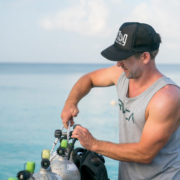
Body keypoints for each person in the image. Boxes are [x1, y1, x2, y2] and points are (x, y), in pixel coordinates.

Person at [61, 22, 180, 179]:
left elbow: (145, 154)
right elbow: (89, 78)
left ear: (145, 57)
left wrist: (94, 144)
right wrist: (71, 103)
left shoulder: (166, 97)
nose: (118, 63)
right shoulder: (123, 74)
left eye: (123, 58)